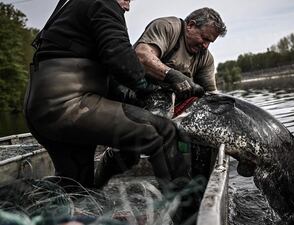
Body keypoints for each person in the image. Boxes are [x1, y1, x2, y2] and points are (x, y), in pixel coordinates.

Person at [23, 0, 190, 191]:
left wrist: (131, 98)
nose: (127, 6)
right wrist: (147, 88)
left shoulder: (70, 6)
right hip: (69, 106)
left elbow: (99, 69)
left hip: (40, 108)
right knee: (163, 132)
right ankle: (189, 214)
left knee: (76, 186)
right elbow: (120, 58)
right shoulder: (103, 2)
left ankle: (29, 197)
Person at [134, 7, 227, 99]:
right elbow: (142, 56)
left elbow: (211, 95)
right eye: (204, 38)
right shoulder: (168, 27)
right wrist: (174, 76)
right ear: (190, 25)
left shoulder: (206, 58)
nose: (206, 46)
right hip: (131, 94)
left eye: (210, 42)